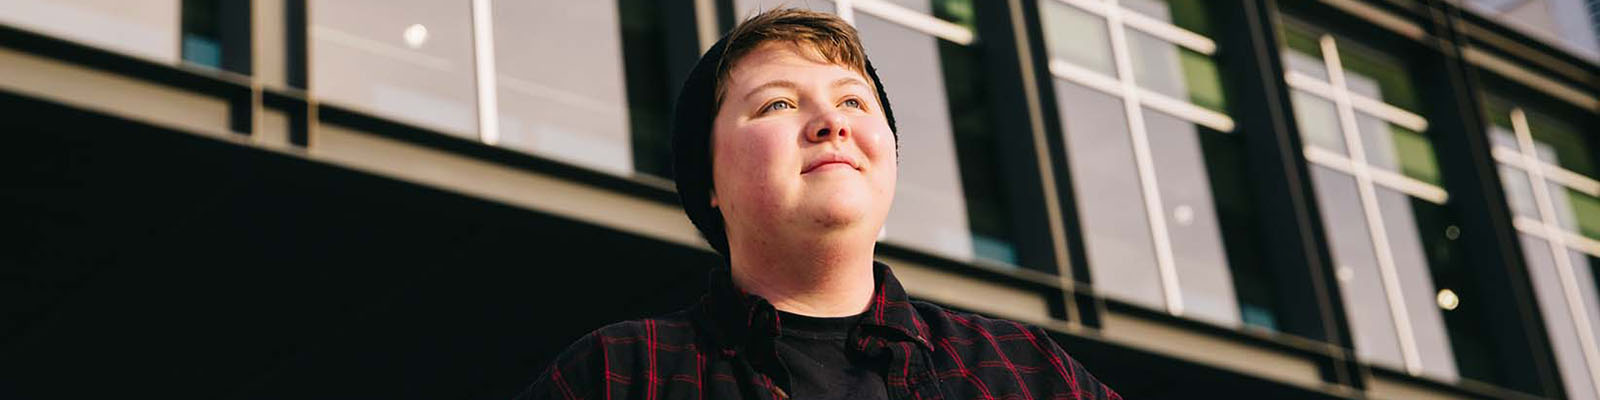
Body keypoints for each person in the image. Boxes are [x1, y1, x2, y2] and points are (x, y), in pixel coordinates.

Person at [516, 8, 1119, 400]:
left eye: (854, 102)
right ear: (711, 183)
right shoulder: (622, 374)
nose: (831, 122)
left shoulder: (1027, 374)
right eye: (777, 104)